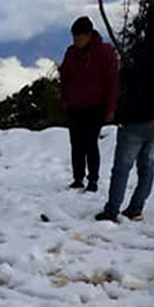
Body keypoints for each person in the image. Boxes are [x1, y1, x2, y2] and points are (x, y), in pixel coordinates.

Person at [97, 7, 154, 222]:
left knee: (122, 166)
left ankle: (112, 210)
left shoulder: (143, 51)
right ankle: (136, 207)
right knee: (147, 163)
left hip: (136, 117)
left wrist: (123, 113)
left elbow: (132, 84)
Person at [59, 16, 119, 192]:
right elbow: (65, 77)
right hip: (75, 106)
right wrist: (64, 98)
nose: (76, 40)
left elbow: (112, 83)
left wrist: (110, 108)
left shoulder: (104, 53)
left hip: (96, 107)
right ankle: (78, 177)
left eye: (80, 36)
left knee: (91, 143)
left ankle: (93, 179)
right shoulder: (71, 52)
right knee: (76, 144)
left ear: (89, 35)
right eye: (74, 37)